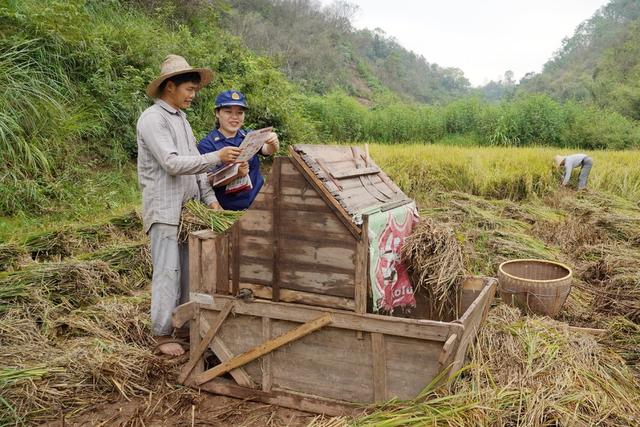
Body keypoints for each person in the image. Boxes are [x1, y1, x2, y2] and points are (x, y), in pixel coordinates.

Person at [137, 55, 241, 356]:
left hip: (186, 211)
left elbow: (195, 169)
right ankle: (160, 334)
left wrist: (209, 200)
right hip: (166, 210)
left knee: (186, 270)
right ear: (170, 86)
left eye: (195, 89)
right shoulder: (152, 119)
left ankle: (181, 326)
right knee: (168, 272)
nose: (193, 95)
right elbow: (171, 163)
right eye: (190, 89)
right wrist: (217, 157)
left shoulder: (181, 121)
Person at [197, 90, 279, 210]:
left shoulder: (249, 136)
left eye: (239, 113)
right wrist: (235, 173)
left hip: (260, 203)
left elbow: (267, 150)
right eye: (228, 112)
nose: (234, 117)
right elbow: (207, 182)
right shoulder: (207, 145)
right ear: (217, 113)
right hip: (231, 211)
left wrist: (273, 143)